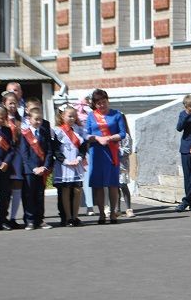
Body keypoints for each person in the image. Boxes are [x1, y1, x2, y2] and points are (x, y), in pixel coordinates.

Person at [86, 89, 126, 224]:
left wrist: (109, 138)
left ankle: (113, 212)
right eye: (98, 103)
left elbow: (122, 133)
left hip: (111, 152)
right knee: (98, 185)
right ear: (95, 105)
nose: (102, 105)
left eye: (104, 102)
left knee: (112, 184)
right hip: (96, 153)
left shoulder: (117, 115)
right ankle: (102, 213)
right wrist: (97, 138)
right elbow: (86, 135)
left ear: (107, 101)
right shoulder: (91, 116)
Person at [19, 107, 54, 230]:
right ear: (29, 119)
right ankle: (29, 220)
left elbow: (49, 151)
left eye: (40, 119)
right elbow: (24, 154)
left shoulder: (44, 132)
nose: (38, 122)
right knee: (29, 195)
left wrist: (45, 166)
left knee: (40, 195)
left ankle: (40, 219)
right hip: (30, 170)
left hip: (42, 169)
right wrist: (34, 168)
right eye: (36, 119)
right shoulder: (25, 134)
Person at [53, 105, 86, 227]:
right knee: (65, 190)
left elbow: (83, 146)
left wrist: (79, 158)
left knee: (77, 190)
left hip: (76, 163)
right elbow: (56, 149)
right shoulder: (58, 131)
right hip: (64, 165)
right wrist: (65, 161)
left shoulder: (79, 130)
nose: (72, 118)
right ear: (62, 116)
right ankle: (67, 217)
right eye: (69, 116)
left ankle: (75, 216)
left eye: (74, 116)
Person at [2, 91, 24, 228]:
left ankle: (13, 218)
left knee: (17, 186)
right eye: (10, 103)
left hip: (16, 156)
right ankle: (2, 217)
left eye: (14, 103)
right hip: (4, 156)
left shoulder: (20, 120)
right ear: (4, 104)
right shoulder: (1, 119)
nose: (12, 106)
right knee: (4, 188)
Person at [118, 117, 135, 218]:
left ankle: (129, 208)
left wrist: (117, 151)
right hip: (113, 164)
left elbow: (128, 151)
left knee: (123, 185)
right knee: (115, 188)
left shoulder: (126, 136)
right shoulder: (111, 135)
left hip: (122, 165)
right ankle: (117, 209)